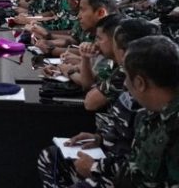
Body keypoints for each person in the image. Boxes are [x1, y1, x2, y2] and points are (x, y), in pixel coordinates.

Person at [37, 18, 160, 188]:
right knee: (51, 156)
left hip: (122, 172)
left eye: (101, 38)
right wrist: (99, 138)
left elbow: (139, 167)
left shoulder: (146, 89)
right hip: (111, 154)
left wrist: (95, 168)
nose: (96, 43)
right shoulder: (126, 72)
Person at [118, 35, 179, 186]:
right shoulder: (152, 113)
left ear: (140, 83)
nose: (125, 83)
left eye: (126, 76)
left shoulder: (174, 128)